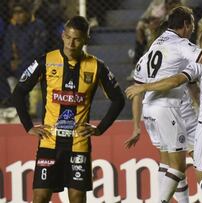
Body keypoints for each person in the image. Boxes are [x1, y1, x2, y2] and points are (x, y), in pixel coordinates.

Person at [124, 6, 202, 203]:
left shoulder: (155, 46)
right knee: (181, 165)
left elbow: (138, 86)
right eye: (192, 24)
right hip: (170, 108)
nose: (193, 29)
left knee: (168, 162)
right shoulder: (181, 44)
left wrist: (135, 125)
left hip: (150, 109)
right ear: (186, 25)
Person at [11, 16, 125, 203]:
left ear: (86, 39)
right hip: (49, 142)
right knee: (40, 196)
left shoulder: (97, 66)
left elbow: (118, 100)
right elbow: (19, 92)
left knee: (77, 197)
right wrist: (28, 126)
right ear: (63, 36)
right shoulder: (45, 61)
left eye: (77, 39)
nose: (71, 43)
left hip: (78, 144)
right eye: (68, 37)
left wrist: (100, 128)